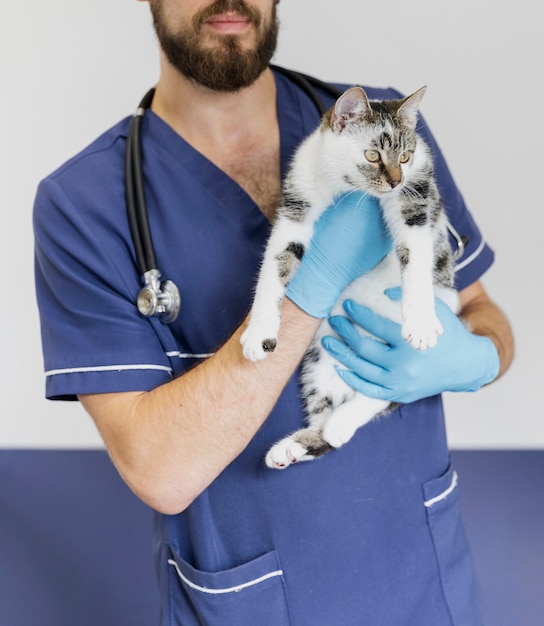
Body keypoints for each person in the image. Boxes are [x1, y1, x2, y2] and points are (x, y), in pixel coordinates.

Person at [33, 1, 514, 624]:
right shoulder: (84, 204)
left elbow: (480, 308)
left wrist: (478, 359)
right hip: (254, 605)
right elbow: (159, 470)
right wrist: (307, 291)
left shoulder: (386, 127)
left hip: (427, 588)